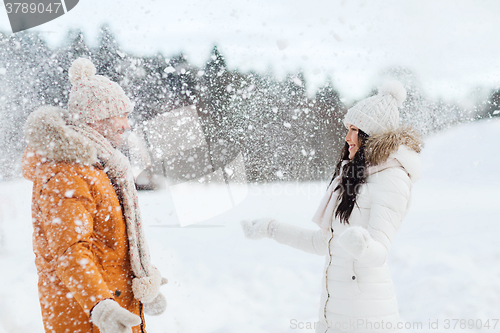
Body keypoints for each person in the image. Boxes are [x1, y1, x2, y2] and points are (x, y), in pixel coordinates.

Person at [241, 81, 423, 333]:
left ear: (371, 135)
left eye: (354, 130)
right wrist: (271, 228)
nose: (347, 137)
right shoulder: (353, 177)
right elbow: (323, 243)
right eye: (348, 129)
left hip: (366, 317)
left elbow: (379, 253)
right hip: (334, 313)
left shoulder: (392, 178)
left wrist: (362, 244)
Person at [22, 58, 167, 333]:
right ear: (96, 119)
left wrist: (142, 280)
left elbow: (111, 246)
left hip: (114, 310)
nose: (126, 124)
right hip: (85, 319)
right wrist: (101, 306)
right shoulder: (66, 173)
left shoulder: (100, 169)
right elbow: (70, 251)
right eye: (120, 115)